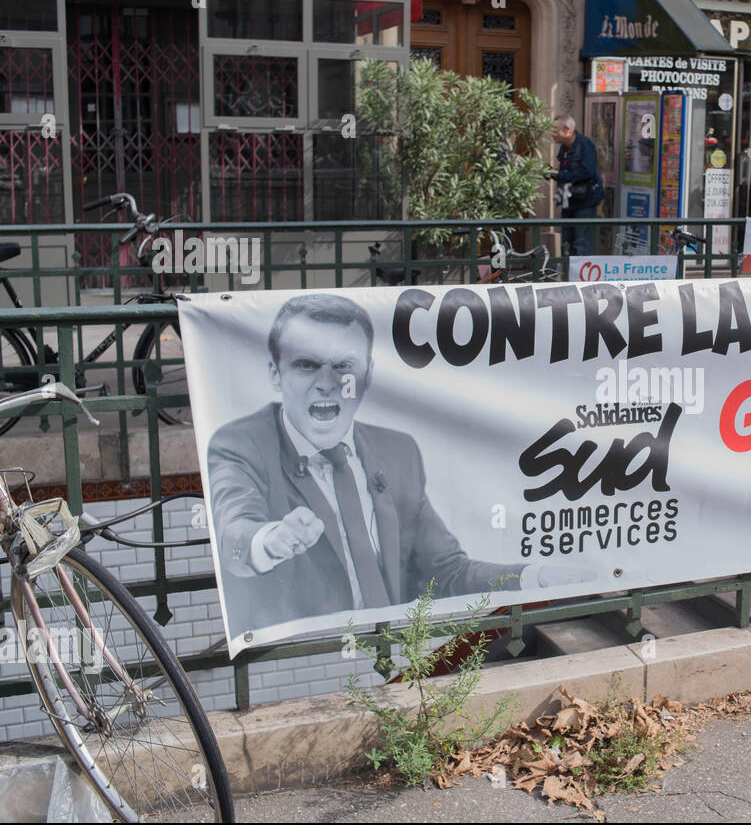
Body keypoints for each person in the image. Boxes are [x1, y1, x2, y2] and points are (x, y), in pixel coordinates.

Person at [206, 294, 580, 635]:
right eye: (306, 365)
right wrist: (269, 542)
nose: (327, 384)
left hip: (392, 661)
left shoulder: (398, 451)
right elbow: (234, 531)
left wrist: (535, 577)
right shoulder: (240, 445)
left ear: (367, 375)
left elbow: (445, 572)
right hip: (307, 665)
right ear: (276, 373)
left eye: (343, 367)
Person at [553, 115, 603, 258]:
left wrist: (560, 175)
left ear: (567, 130)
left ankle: (581, 278)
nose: (552, 134)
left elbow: (587, 172)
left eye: (555, 130)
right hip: (568, 200)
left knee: (582, 243)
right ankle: (567, 276)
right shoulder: (564, 148)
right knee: (567, 242)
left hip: (585, 201)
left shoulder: (584, 145)